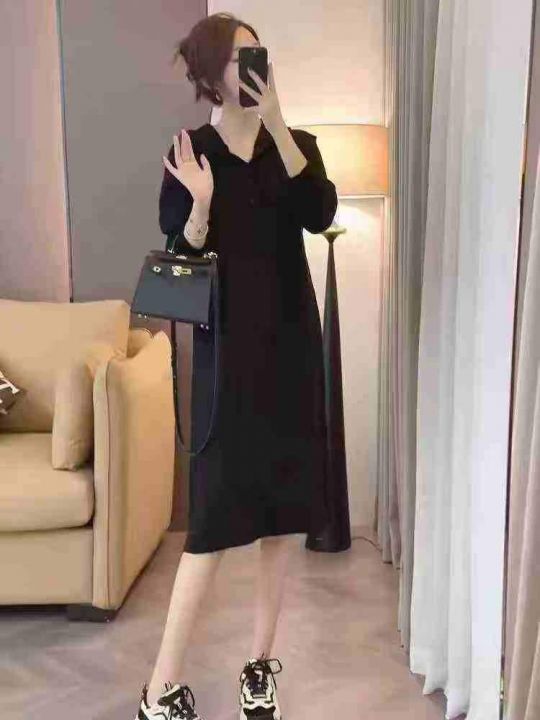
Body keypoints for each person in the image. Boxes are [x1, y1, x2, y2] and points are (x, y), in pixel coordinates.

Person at [134, 11, 337, 720]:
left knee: (282, 521)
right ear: (210, 72)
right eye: (241, 57)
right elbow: (179, 254)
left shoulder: (297, 147)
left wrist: (278, 122)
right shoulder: (190, 151)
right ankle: (159, 690)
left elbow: (319, 213)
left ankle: (259, 669)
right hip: (227, 360)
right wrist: (201, 205)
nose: (256, 67)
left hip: (292, 351)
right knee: (212, 525)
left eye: (260, 55)